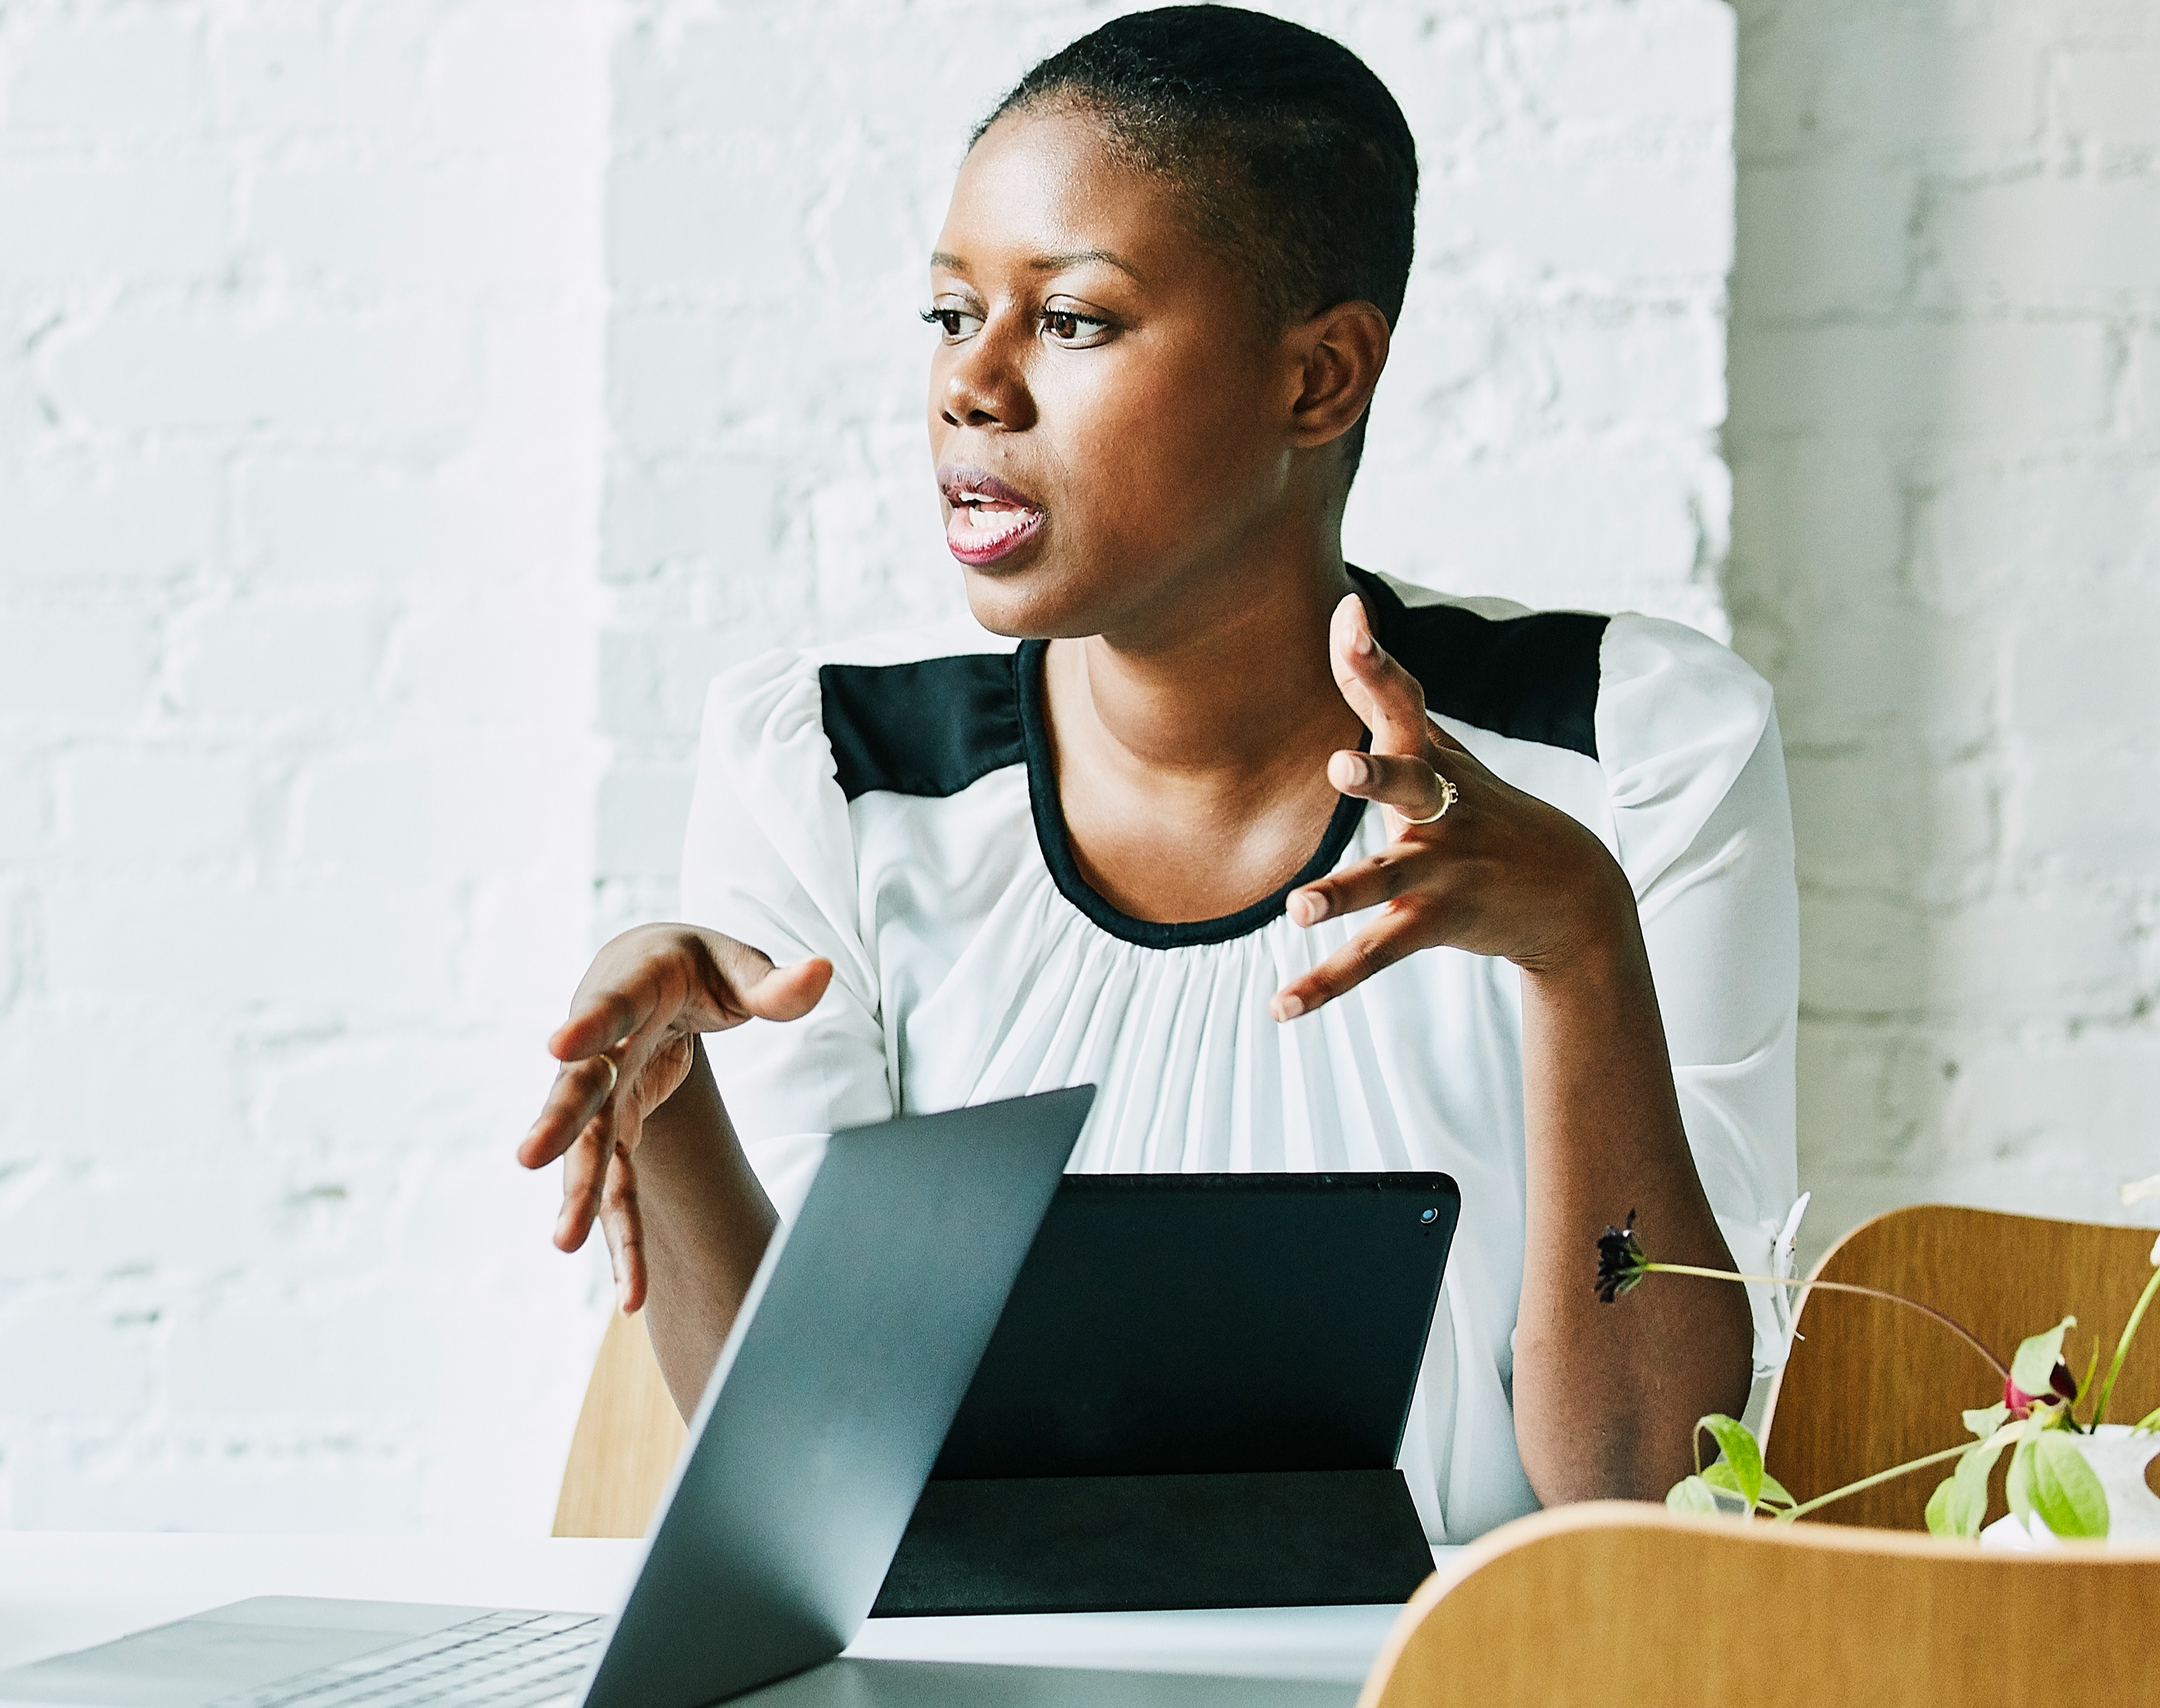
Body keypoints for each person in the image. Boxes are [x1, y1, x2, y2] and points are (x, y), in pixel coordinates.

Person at [514, 6, 1796, 1542]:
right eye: (946, 316)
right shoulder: (833, 780)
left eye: (1069, 322)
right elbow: (815, 1502)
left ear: (1319, 379)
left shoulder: (1626, 751)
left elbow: (1644, 1487)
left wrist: (1580, 943)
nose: (968, 389)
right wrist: (669, 1108)